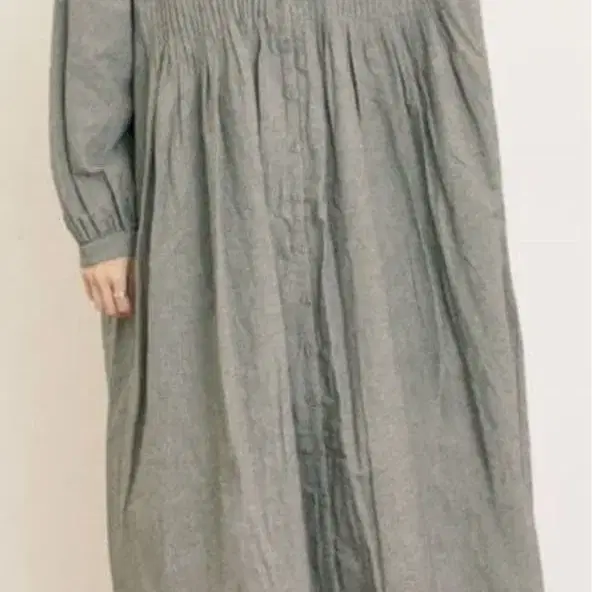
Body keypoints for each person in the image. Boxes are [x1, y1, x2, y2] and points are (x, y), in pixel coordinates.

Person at [49, 0, 545, 590]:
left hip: (385, 154)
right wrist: (104, 218)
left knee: (407, 456)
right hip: (209, 181)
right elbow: (94, 33)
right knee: (219, 478)